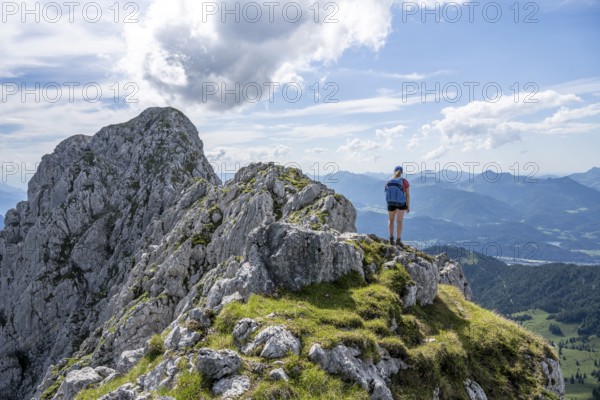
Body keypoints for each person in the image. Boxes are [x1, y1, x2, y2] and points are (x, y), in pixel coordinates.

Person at [384, 165, 410, 246]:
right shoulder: (404, 182)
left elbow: (385, 192)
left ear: (393, 171)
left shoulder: (389, 181)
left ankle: (391, 240)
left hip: (390, 203)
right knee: (399, 221)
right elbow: (407, 195)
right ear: (401, 173)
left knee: (390, 220)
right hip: (401, 204)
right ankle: (398, 241)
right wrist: (408, 206)